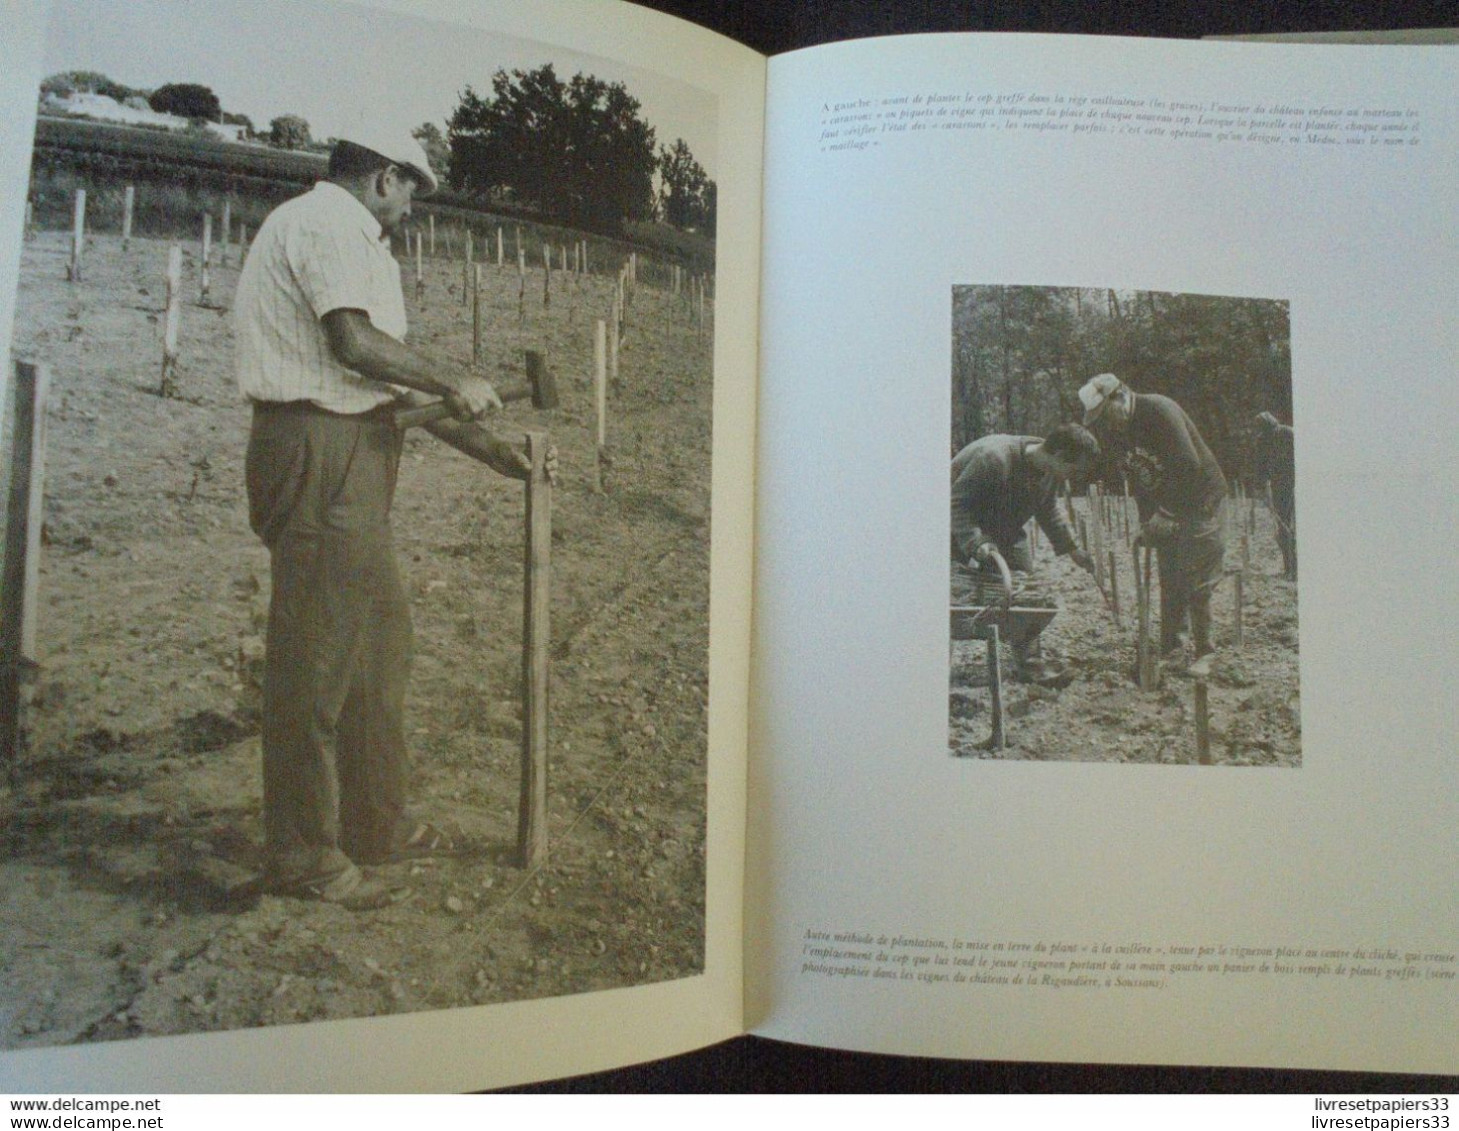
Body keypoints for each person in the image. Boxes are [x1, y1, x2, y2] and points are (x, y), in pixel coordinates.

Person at [234, 126, 551, 909]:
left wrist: (488, 447)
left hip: (358, 446)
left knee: (379, 647)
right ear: (381, 177)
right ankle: (302, 852)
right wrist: (457, 377)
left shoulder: (358, 241)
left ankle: (373, 823)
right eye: (411, 185)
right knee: (315, 657)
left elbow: (388, 386)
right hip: (316, 449)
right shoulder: (324, 225)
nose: (414, 201)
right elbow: (354, 345)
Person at [1079, 373, 1227, 664]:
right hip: (1167, 505)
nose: (1105, 424)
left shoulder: (1159, 410)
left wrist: (1167, 513)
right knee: (1170, 576)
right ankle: (1172, 649)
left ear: (1120, 396)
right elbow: (1139, 479)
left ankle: (1205, 652)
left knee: (1196, 578)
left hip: (1200, 499)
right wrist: (1148, 524)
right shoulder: (1119, 431)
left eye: (1105, 415)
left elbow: (1187, 464)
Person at [949, 425, 1099, 677]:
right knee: (950, 597)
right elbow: (957, 504)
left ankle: (1030, 664)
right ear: (1060, 455)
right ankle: (935, 667)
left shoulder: (1047, 471)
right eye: (1073, 470)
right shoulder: (994, 458)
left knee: (1024, 593)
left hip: (1005, 530)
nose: (1072, 477)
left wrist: (1072, 549)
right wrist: (975, 541)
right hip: (956, 527)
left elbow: (1047, 509)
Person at [1253, 410, 1297, 580]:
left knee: (1289, 525)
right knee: (1283, 525)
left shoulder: (1288, 433)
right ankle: (1289, 567)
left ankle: (1295, 567)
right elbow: (1260, 465)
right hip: (1279, 486)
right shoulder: (1262, 440)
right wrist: (1260, 486)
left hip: (1293, 482)